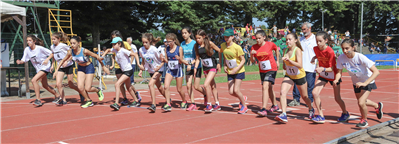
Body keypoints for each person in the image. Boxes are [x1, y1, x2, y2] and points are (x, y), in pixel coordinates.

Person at [335, 39, 383, 127]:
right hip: (356, 82)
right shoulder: (341, 57)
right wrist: (336, 79)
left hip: (367, 81)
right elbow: (339, 72)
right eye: (343, 48)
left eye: (347, 48)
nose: (345, 51)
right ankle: (377, 106)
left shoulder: (360, 57)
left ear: (353, 47)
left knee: (361, 102)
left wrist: (365, 83)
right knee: (361, 101)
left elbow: (376, 72)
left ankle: (364, 120)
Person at [54, 36, 109, 108]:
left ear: (78, 43)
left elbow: (97, 56)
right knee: (80, 87)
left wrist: (103, 67)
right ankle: (89, 100)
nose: (72, 45)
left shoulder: (84, 51)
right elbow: (62, 60)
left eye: (74, 43)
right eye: (71, 43)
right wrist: (56, 70)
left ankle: (98, 90)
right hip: (80, 68)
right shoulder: (70, 52)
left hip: (89, 68)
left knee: (88, 88)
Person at [309, 31, 349, 123]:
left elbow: (331, 68)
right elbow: (319, 54)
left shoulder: (330, 51)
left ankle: (345, 113)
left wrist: (322, 69)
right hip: (323, 75)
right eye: (317, 41)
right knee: (315, 93)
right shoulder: (315, 48)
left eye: (320, 41)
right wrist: (314, 58)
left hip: (333, 75)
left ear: (326, 40)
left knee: (337, 98)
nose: (318, 43)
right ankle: (321, 115)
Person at [275, 33, 314, 123]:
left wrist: (290, 61)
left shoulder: (297, 50)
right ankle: (284, 114)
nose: (287, 41)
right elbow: (285, 67)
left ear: (295, 40)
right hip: (289, 75)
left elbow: (300, 65)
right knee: (282, 92)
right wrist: (284, 63)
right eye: (286, 40)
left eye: (290, 39)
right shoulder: (285, 50)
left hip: (299, 76)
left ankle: (311, 109)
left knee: (304, 97)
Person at [16, 35, 60, 106]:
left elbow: (52, 53)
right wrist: (20, 62)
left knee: (34, 80)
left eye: (30, 40)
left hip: (45, 67)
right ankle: (57, 95)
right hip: (38, 69)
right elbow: (23, 60)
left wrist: (48, 60)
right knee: (45, 85)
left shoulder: (39, 48)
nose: (28, 42)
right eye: (27, 41)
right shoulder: (27, 49)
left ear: (34, 41)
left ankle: (38, 100)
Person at [250, 30, 280, 116]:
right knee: (269, 87)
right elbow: (252, 61)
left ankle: (263, 108)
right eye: (256, 39)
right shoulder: (254, 47)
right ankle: (275, 105)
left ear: (264, 37)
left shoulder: (270, 44)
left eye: (259, 38)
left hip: (271, 68)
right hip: (262, 69)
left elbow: (277, 49)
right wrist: (252, 55)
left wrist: (277, 61)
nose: (257, 40)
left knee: (265, 86)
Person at [107, 37, 142, 110]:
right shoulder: (115, 50)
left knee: (117, 84)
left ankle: (116, 103)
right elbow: (108, 50)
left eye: (114, 44)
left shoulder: (123, 50)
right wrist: (102, 56)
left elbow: (135, 54)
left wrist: (138, 64)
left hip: (128, 70)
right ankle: (136, 101)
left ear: (119, 44)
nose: (113, 45)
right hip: (124, 71)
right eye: (112, 44)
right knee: (129, 87)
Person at [220, 29, 248, 114]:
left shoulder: (237, 47)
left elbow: (243, 60)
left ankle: (244, 106)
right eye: (225, 37)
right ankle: (242, 97)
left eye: (228, 37)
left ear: (232, 37)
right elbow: (225, 56)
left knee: (236, 90)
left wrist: (236, 69)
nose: (226, 38)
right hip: (230, 71)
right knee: (231, 92)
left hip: (238, 70)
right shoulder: (223, 45)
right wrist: (224, 65)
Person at [50, 32, 82, 106]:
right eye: (52, 39)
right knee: (58, 84)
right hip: (60, 66)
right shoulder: (52, 47)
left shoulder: (63, 46)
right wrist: (52, 65)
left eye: (54, 39)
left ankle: (81, 92)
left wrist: (67, 61)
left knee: (70, 84)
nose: (53, 41)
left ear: (59, 39)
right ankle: (63, 99)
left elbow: (72, 53)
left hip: (68, 65)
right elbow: (54, 56)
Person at [288, 22, 316, 107]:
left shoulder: (315, 39)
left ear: (309, 28)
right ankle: (296, 99)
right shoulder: (300, 39)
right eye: (302, 29)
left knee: (310, 85)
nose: (303, 31)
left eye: (305, 29)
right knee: (297, 84)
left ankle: (310, 101)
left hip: (311, 66)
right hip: (300, 66)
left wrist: (317, 61)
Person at [194, 29, 221, 112]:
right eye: (196, 38)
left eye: (199, 38)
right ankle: (217, 104)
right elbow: (198, 58)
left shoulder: (209, 43)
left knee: (206, 84)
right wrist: (195, 68)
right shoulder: (196, 46)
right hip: (205, 68)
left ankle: (209, 104)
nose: (197, 40)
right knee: (212, 85)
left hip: (212, 66)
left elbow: (220, 51)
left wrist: (219, 63)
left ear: (203, 37)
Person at [138, 33, 166, 112]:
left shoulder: (154, 49)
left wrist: (159, 67)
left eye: (146, 42)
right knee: (160, 88)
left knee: (150, 84)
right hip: (151, 70)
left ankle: (153, 105)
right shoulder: (141, 50)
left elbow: (162, 60)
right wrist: (141, 70)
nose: (144, 44)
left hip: (158, 69)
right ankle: (168, 99)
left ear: (150, 41)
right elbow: (143, 61)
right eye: (143, 42)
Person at [181, 27, 206, 111]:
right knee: (188, 85)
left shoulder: (195, 43)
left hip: (196, 66)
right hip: (188, 67)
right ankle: (193, 103)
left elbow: (197, 57)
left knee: (196, 86)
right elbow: (182, 57)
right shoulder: (182, 44)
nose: (184, 35)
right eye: (182, 33)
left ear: (189, 33)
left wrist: (191, 63)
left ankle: (205, 94)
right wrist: (184, 62)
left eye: (185, 33)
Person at [161, 33, 187, 111]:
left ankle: (184, 101)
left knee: (179, 89)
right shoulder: (166, 49)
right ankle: (168, 104)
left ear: (174, 40)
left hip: (178, 70)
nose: (168, 43)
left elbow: (181, 61)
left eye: (170, 41)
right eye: (167, 41)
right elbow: (166, 60)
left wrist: (179, 58)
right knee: (166, 86)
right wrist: (163, 58)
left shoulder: (179, 49)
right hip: (170, 70)